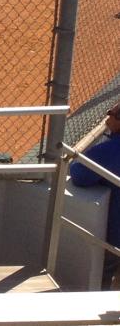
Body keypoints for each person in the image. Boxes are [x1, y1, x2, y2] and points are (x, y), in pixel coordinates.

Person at [69, 104, 120, 289]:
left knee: (104, 274)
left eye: (112, 113)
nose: (108, 116)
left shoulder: (109, 150)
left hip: (116, 239)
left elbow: (79, 174)